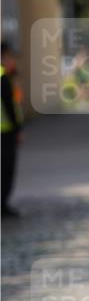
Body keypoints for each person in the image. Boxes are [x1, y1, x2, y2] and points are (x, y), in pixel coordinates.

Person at [1, 41, 23, 218]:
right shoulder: (3, 77)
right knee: (6, 170)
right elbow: (9, 106)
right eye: (9, 57)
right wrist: (18, 130)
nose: (12, 61)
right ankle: (3, 205)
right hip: (5, 132)